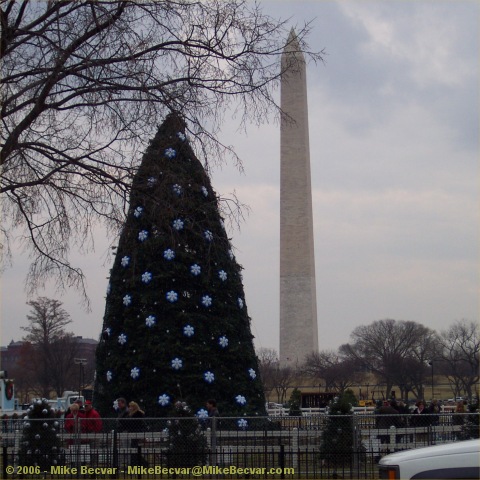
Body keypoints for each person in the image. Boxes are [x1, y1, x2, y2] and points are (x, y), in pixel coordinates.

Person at [126, 401, 147, 466]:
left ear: (134, 407)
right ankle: (136, 463)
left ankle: (141, 464)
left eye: (130, 407)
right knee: (134, 449)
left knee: (135, 448)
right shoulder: (131, 414)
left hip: (137, 432)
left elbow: (137, 423)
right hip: (133, 432)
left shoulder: (138, 413)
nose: (129, 408)